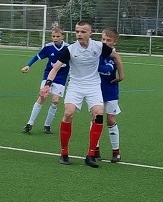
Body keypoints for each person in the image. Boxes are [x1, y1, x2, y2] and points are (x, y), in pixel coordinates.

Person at [41, 20, 124, 167]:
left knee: (98, 114)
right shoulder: (70, 49)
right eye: (77, 31)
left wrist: (121, 76)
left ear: (90, 33)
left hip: (93, 86)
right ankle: (64, 152)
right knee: (68, 113)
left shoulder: (98, 46)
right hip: (75, 86)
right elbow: (55, 68)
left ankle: (91, 155)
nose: (79, 34)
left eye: (83, 31)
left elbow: (116, 56)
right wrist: (47, 85)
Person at [21, 26, 69, 133]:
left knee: (55, 101)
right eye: (53, 36)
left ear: (63, 36)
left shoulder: (68, 48)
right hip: (48, 76)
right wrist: (28, 65)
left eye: (57, 36)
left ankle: (47, 125)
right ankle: (29, 123)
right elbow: (37, 56)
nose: (55, 38)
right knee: (42, 97)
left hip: (61, 77)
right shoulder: (48, 47)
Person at [95, 27, 123, 163]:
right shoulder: (96, 52)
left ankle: (116, 151)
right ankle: (95, 149)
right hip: (96, 91)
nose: (105, 42)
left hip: (111, 91)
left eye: (108, 40)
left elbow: (106, 68)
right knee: (96, 118)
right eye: (103, 39)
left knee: (111, 120)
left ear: (114, 42)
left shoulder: (114, 56)